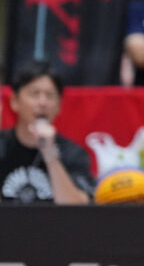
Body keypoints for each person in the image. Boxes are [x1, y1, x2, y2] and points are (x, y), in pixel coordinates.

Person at [0, 61, 93, 204]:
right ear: (14, 101)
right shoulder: (2, 146)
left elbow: (78, 208)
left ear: (59, 106)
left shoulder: (73, 153)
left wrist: (50, 154)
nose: (42, 103)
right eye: (34, 94)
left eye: (50, 95)